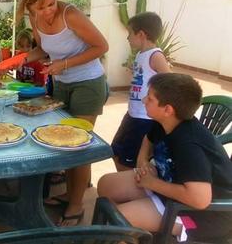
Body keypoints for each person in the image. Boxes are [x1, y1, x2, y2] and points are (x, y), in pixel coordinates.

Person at [17, 0, 109, 226]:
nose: (47, 11)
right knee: (61, 142)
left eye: (51, 3)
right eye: (40, 7)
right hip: (61, 84)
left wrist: (65, 64)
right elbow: (43, 49)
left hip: (88, 83)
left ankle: (77, 205)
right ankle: (71, 192)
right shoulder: (35, 18)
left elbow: (102, 46)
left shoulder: (71, 15)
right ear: (30, 6)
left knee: (78, 144)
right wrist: (20, 58)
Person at [97, 73, 232, 242]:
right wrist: (143, 162)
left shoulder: (189, 146)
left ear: (168, 109)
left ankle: (128, 231)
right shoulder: (166, 122)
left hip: (200, 215)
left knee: (119, 219)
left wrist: (153, 183)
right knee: (105, 185)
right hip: (168, 186)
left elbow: (200, 200)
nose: (144, 100)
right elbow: (148, 139)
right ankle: (135, 233)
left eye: (150, 98)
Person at [111, 12, 171, 171]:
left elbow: (170, 81)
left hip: (144, 119)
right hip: (133, 113)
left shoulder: (156, 55)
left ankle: (128, 189)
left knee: (128, 159)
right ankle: (125, 186)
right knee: (116, 150)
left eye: (130, 33)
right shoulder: (140, 54)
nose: (128, 38)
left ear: (142, 34)